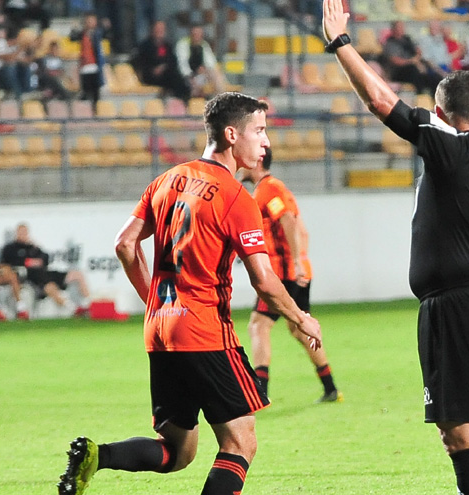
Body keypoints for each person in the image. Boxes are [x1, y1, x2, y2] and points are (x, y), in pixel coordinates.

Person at [56, 92, 322, 495]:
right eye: (259, 131)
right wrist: (301, 318)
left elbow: (125, 244)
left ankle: (99, 455)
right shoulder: (236, 196)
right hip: (204, 331)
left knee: (178, 451)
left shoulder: (167, 180)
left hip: (160, 330)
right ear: (232, 135)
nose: (266, 142)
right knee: (241, 442)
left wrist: (154, 302)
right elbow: (264, 280)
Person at [323, 1, 469, 493]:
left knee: (460, 435)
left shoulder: (449, 147)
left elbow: (382, 102)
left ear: (439, 115)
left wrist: (341, 44)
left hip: (456, 308)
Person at [239, 148, 342, 402]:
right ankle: (330, 387)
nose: (239, 165)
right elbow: (300, 229)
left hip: (283, 273)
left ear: (257, 161)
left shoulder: (269, 189)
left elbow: (288, 220)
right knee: (299, 328)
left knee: (258, 325)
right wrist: (301, 262)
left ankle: (260, 392)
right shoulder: (272, 189)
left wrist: (295, 262)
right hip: (294, 271)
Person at [0, 223, 92, 316]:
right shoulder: (10, 248)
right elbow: (9, 264)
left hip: (45, 272)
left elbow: (45, 258)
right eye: (21, 232)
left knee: (77, 274)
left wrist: (35, 248)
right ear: (16, 233)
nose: (23, 235)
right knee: (49, 285)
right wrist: (29, 262)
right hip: (32, 277)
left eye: (25, 232)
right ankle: (73, 308)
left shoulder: (33, 247)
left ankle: (89, 304)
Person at [132, 20, 191, 101]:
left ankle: (183, 98)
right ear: (152, 30)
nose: (160, 32)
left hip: (167, 74)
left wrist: (164, 67)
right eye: (158, 29)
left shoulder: (167, 46)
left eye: (162, 29)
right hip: (151, 76)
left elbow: (173, 61)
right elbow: (139, 63)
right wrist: (152, 70)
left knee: (177, 78)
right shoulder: (144, 46)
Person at [381, 20, 444, 95]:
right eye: (399, 27)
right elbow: (395, 61)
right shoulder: (390, 43)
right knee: (414, 71)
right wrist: (412, 61)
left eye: (402, 27)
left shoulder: (408, 40)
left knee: (435, 76)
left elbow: (418, 52)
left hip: (414, 66)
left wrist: (418, 59)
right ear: (394, 29)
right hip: (400, 71)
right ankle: (421, 95)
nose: (402, 29)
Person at [175, 24, 226, 98]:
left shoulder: (204, 45)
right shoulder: (183, 44)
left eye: (199, 34)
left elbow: (211, 63)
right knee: (195, 86)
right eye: (195, 34)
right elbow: (183, 65)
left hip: (200, 76)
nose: (197, 36)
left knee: (216, 74)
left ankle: (220, 98)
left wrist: (205, 69)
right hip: (186, 78)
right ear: (190, 34)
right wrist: (191, 77)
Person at [69, 13, 107, 111]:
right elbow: (72, 37)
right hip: (84, 67)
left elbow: (104, 33)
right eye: (88, 21)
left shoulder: (96, 33)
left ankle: (95, 110)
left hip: (94, 66)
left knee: (95, 93)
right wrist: (74, 28)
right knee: (86, 91)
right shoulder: (82, 34)